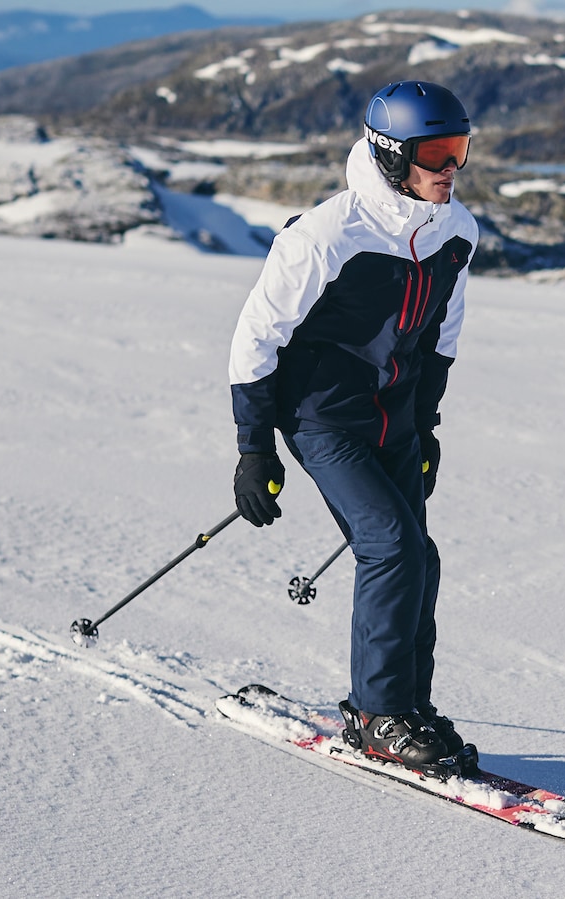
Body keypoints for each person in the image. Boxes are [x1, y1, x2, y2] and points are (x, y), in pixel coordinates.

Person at [227, 81, 478, 773]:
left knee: (418, 558)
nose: (451, 166)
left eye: (459, 148)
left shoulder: (457, 233)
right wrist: (255, 450)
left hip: (393, 415)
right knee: (391, 545)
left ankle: (409, 707)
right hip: (322, 414)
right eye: (436, 152)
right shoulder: (327, 235)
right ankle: (377, 715)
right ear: (394, 156)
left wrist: (424, 428)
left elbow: (440, 338)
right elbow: (255, 339)